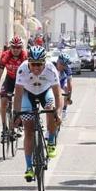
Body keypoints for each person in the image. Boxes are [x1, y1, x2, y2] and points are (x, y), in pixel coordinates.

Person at [13, 45, 61, 182]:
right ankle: (29, 167)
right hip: (28, 94)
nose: (36, 68)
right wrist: (16, 114)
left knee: (50, 107)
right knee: (28, 130)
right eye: (33, 64)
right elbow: (18, 95)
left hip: (45, 92)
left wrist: (58, 113)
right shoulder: (22, 69)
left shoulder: (51, 69)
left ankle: (51, 141)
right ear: (28, 62)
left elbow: (58, 95)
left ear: (44, 62)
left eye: (39, 64)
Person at [0, 36, 28, 139]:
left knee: (21, 100)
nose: (16, 49)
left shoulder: (25, 57)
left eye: (18, 47)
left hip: (21, 81)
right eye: (13, 47)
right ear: (10, 47)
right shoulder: (5, 56)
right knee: (3, 101)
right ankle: (4, 128)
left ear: (21, 48)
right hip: (10, 80)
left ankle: (18, 123)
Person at [54, 53, 73, 120]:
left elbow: (69, 84)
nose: (62, 66)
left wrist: (69, 97)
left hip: (62, 80)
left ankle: (64, 109)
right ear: (57, 61)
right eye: (61, 63)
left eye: (64, 65)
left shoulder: (68, 70)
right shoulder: (52, 66)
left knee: (66, 88)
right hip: (53, 81)